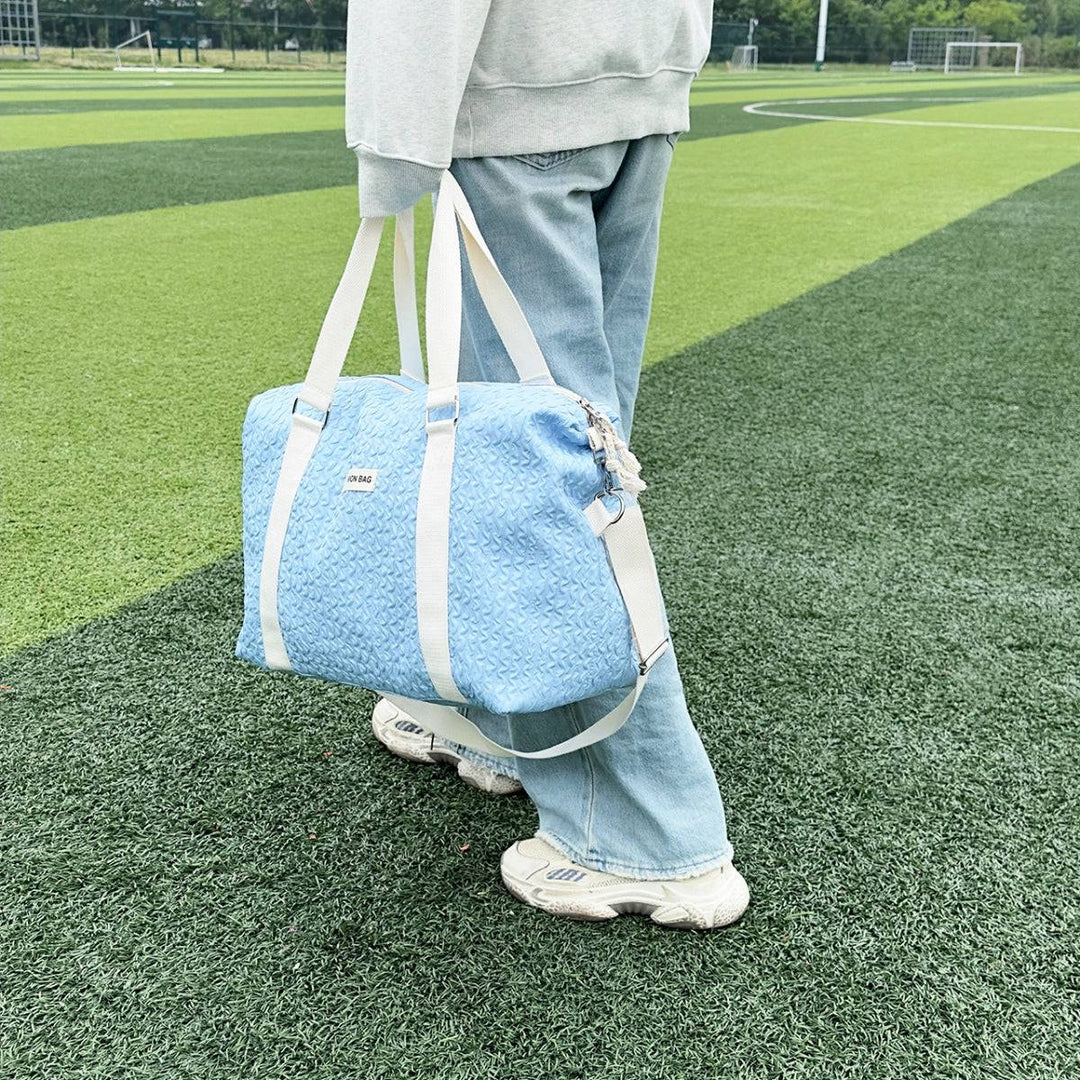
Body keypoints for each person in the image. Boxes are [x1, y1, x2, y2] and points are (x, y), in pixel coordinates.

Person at [347, 0, 748, 929]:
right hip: (632, 93)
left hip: (515, 106)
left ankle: (646, 834)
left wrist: (391, 137)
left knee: (543, 482)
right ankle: (499, 720)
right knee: (574, 448)